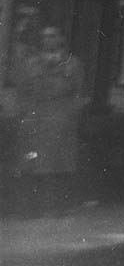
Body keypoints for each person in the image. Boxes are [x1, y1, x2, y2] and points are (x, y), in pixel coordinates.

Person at [14, 25, 85, 213]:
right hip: (35, 120)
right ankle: (31, 209)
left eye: (53, 36)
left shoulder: (72, 64)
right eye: (45, 36)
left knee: (61, 166)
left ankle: (60, 207)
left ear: (62, 39)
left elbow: (79, 94)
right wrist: (24, 115)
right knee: (32, 164)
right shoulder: (31, 63)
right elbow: (21, 92)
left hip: (61, 120)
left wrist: (70, 116)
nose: (48, 40)